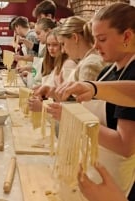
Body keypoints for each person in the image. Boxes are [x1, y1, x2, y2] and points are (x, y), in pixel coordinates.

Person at [35, 2, 135, 199]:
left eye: (102, 39)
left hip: (113, 179)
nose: (95, 46)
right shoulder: (108, 71)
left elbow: (125, 146)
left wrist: (73, 118)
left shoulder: (131, 72)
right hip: (94, 164)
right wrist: (56, 91)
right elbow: (86, 96)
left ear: (127, 36)